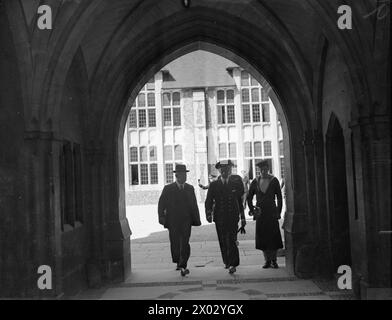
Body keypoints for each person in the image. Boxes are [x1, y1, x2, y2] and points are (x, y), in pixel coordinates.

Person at [158, 164, 201, 276]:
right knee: (175, 243)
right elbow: (161, 204)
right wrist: (161, 217)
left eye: (185, 174)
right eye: (182, 174)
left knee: (185, 242)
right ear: (177, 175)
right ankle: (178, 261)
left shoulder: (190, 188)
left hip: (186, 220)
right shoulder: (168, 189)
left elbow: (194, 205)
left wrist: (196, 219)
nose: (185, 177)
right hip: (173, 221)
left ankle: (183, 264)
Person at [205, 160, 246, 274]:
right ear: (219, 171)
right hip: (220, 218)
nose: (225, 172)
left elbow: (239, 201)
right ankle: (227, 262)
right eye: (222, 170)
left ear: (230, 171)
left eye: (227, 170)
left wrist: (242, 217)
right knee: (223, 240)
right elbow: (208, 201)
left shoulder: (236, 184)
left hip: (232, 217)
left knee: (232, 240)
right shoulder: (214, 185)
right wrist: (208, 213)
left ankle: (233, 263)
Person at [247, 160, 283, 269]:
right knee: (263, 237)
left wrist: (278, 211)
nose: (263, 171)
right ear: (259, 170)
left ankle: (274, 260)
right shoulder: (255, 181)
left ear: (268, 169)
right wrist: (252, 209)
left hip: (271, 212)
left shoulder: (274, 180)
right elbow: (249, 196)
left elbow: (280, 197)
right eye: (261, 169)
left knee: (273, 236)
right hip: (260, 213)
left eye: (265, 169)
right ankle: (267, 260)